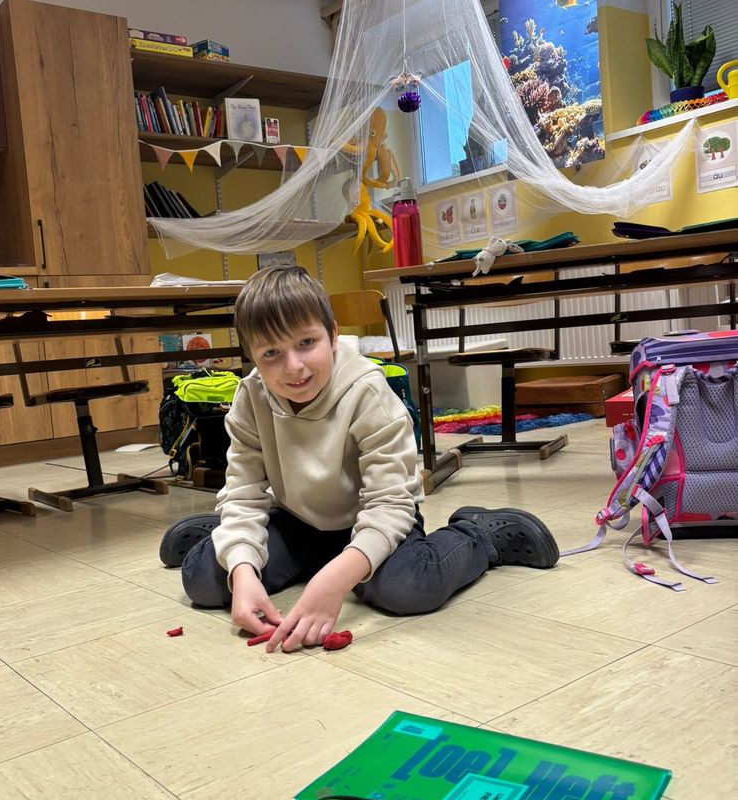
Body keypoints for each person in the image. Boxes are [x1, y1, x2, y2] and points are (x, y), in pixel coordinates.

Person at [160, 265, 559, 653]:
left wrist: (335, 580)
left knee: (407, 587)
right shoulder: (250, 398)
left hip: (377, 517)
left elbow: (391, 504)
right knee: (206, 582)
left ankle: (479, 534)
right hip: (299, 521)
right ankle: (225, 534)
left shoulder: (368, 392)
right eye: (271, 353)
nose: (294, 366)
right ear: (252, 357)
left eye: (306, 343)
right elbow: (244, 491)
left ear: (333, 336)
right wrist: (243, 566)